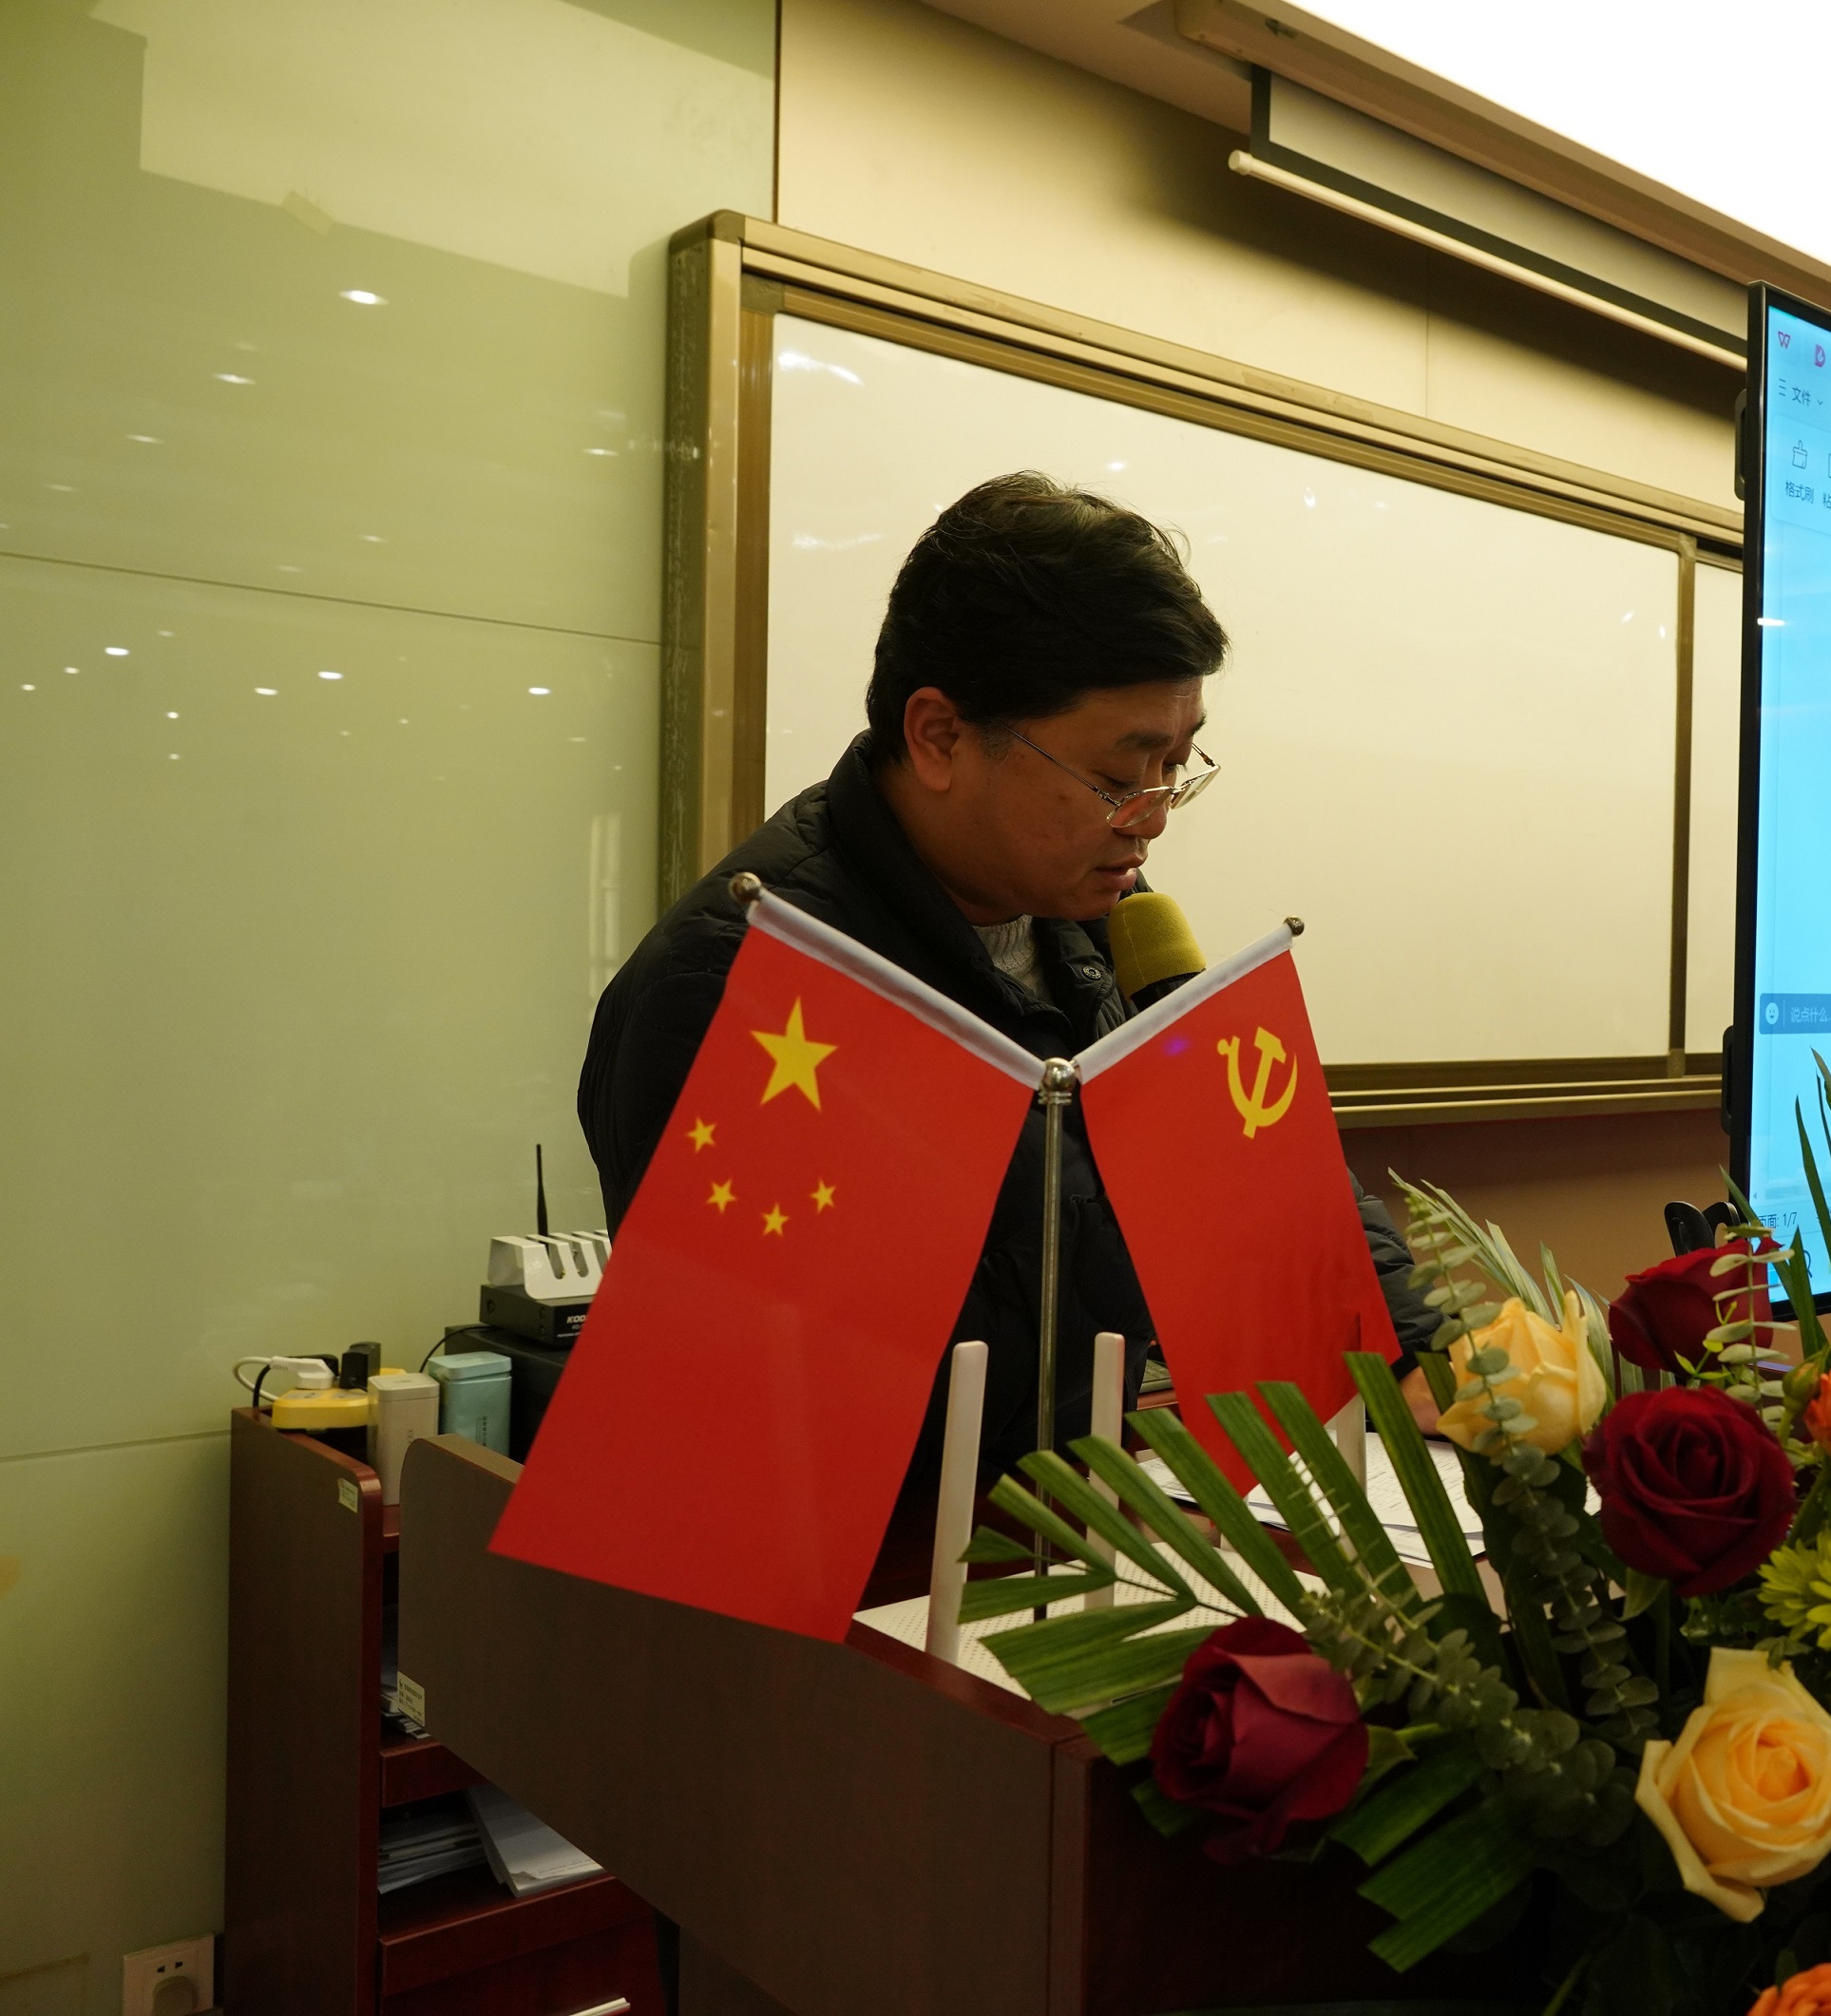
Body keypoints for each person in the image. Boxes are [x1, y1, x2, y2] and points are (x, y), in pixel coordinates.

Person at [578, 473, 1443, 1562]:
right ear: (939, 736)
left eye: (1177, 766)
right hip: (887, 1591)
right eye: (1120, 775)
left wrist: (1415, 1349)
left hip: (1076, 1540)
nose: (1152, 821)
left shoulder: (1101, 915)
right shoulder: (745, 991)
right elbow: (796, 1425)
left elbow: (1251, 1158)